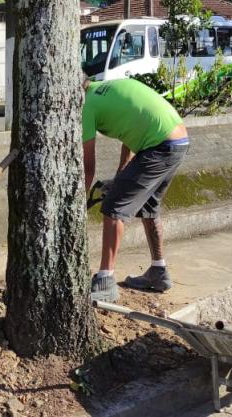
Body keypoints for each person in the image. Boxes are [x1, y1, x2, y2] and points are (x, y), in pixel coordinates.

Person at [82, 76, 190, 302]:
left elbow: (88, 167)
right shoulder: (110, 87)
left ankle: (105, 282)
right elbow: (131, 132)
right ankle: (158, 272)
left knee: (113, 208)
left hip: (158, 145)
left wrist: (81, 202)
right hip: (177, 140)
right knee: (149, 207)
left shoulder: (87, 105)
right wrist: (121, 176)